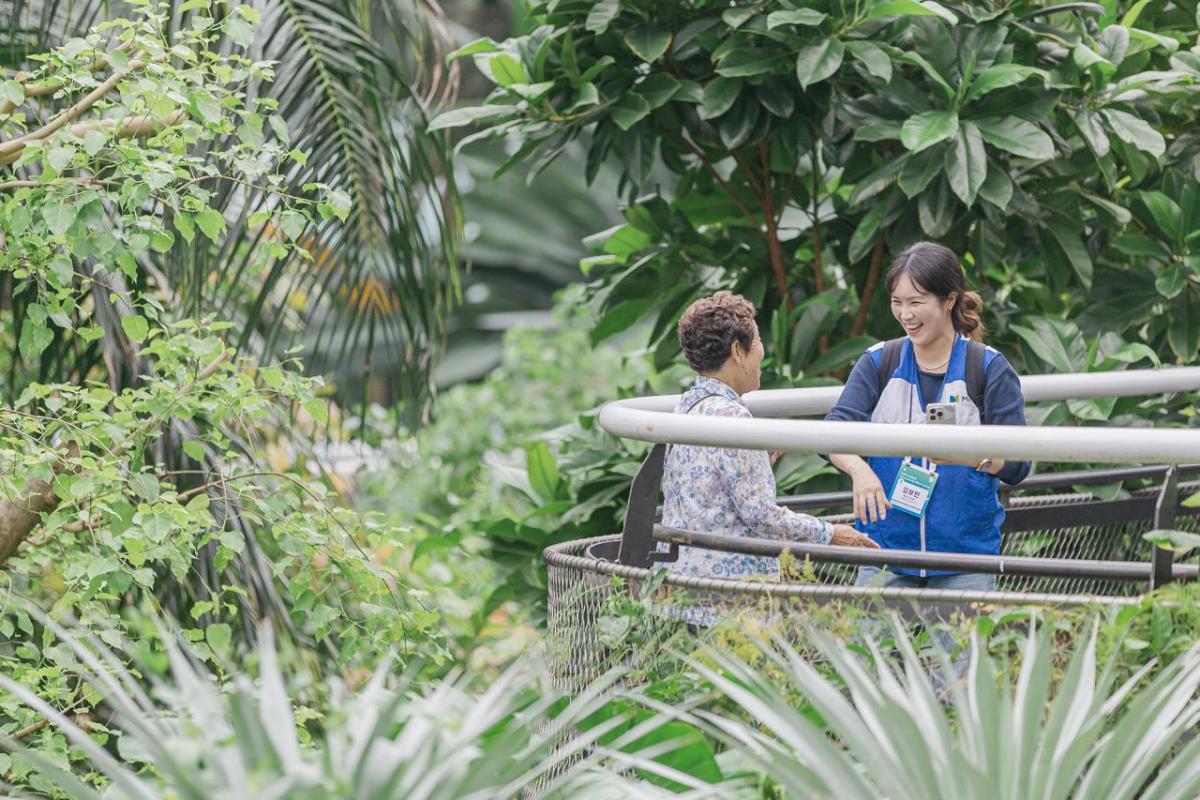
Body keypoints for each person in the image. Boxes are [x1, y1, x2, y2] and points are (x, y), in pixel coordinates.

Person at [825, 241, 1030, 591]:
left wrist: (970, 456)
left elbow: (1018, 463)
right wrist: (859, 470)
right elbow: (832, 433)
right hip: (883, 554)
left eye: (916, 302)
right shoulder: (879, 362)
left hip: (964, 560)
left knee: (963, 633)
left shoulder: (987, 367)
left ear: (949, 300)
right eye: (897, 302)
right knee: (869, 630)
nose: (905, 314)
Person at [661, 291, 876, 591]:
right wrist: (831, 534)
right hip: (730, 593)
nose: (762, 351)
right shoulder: (732, 417)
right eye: (758, 341)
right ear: (738, 351)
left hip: (685, 580)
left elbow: (710, 492)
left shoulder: (688, 405)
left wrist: (759, 458)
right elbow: (761, 516)